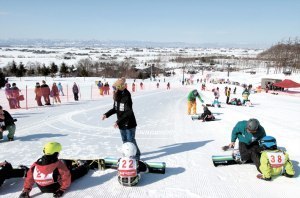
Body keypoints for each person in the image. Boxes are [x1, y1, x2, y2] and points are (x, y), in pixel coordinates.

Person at [19, 142, 89, 198]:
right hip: (56, 188)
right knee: (73, 174)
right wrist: (62, 190)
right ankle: (85, 167)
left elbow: (29, 178)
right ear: (56, 153)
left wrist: (26, 190)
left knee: (61, 170)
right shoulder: (58, 164)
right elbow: (67, 178)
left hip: (42, 188)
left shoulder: (36, 164)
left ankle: (70, 164)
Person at [102, 77, 141, 160]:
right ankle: (128, 154)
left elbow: (128, 112)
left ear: (120, 87)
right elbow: (115, 109)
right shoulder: (117, 96)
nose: (113, 90)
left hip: (129, 123)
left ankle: (137, 155)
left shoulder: (126, 96)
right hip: (121, 123)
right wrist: (106, 114)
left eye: (115, 88)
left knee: (130, 140)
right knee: (124, 140)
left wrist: (118, 121)